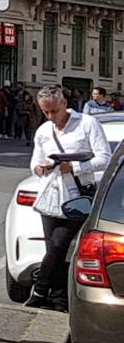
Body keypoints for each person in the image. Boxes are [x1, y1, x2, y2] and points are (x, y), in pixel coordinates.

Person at [27, 85, 115, 312]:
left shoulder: (87, 124)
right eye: (45, 112)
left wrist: (72, 167)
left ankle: (39, 289)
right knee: (53, 250)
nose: (50, 117)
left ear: (64, 104)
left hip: (78, 195)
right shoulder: (44, 131)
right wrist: (40, 168)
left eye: (53, 111)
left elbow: (104, 158)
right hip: (51, 194)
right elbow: (34, 162)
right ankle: (59, 301)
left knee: (59, 244)